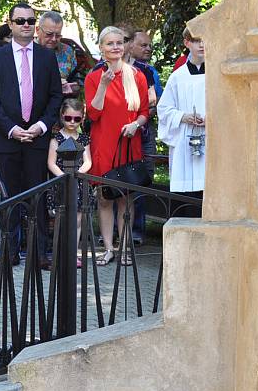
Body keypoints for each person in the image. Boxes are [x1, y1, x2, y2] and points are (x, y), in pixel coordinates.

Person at [0, 2, 63, 268]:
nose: (26, 25)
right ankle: (9, 252)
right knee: (10, 198)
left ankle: (39, 254)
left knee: (37, 199)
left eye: (30, 21)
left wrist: (40, 126)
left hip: (37, 138)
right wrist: (12, 129)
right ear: (11, 23)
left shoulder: (46, 56)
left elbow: (55, 96)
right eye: (20, 21)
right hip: (7, 139)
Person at [85, 26, 149, 266]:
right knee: (105, 198)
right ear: (101, 48)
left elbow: (144, 112)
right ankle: (108, 248)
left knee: (126, 199)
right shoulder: (94, 77)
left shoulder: (137, 76)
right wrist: (103, 84)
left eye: (119, 43)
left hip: (128, 143)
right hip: (104, 144)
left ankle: (124, 248)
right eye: (110, 44)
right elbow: (92, 114)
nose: (115, 47)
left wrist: (136, 125)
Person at [158, 27, 206, 201]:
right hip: (185, 140)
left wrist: (210, 119)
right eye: (196, 40)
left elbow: (229, 106)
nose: (202, 45)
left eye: (205, 40)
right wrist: (183, 117)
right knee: (185, 198)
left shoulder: (217, 75)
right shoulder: (178, 77)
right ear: (187, 43)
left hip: (211, 139)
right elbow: (163, 109)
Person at [127, 29, 162, 244]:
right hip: (121, 132)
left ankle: (137, 230)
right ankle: (115, 230)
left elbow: (153, 103)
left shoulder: (149, 72)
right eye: (143, 45)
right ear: (130, 45)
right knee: (117, 179)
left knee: (141, 179)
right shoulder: (110, 69)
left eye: (150, 45)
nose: (148, 48)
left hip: (144, 132)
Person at [47, 99, 91, 265]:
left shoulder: (84, 139)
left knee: (78, 220)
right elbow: (51, 162)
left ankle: (74, 252)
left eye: (77, 119)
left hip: (78, 183)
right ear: (62, 116)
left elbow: (88, 161)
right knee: (60, 218)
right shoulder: (56, 138)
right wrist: (65, 177)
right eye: (68, 118)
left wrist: (78, 174)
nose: (72, 122)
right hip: (61, 183)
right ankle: (60, 252)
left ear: (82, 118)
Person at [35, 11, 83, 96]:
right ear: (38, 30)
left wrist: (71, 88)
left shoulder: (68, 51)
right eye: (49, 34)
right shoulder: (27, 51)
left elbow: (77, 83)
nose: (54, 39)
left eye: (57, 35)